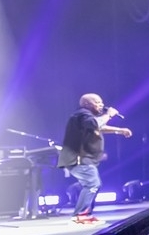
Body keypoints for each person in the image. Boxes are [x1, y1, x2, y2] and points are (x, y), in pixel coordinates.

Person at [57, 93, 132, 224]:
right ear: (87, 104)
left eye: (101, 102)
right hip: (79, 157)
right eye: (97, 102)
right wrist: (109, 114)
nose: (101, 105)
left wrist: (119, 130)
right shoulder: (82, 114)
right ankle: (80, 215)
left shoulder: (87, 117)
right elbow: (95, 124)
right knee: (92, 184)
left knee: (92, 184)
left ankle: (85, 214)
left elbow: (99, 127)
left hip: (85, 158)